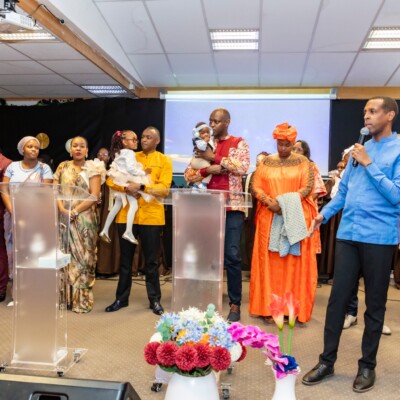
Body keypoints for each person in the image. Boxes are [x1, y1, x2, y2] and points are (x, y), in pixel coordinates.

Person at [302, 96, 400, 393]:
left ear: (390, 115)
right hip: (348, 235)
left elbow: (396, 196)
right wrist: (323, 215)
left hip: (379, 238)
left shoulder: (396, 149)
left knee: (375, 305)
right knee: (336, 302)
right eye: (365, 112)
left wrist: (370, 164)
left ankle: (367, 366)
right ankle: (326, 361)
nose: (366, 116)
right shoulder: (359, 149)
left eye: (373, 111)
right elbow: (344, 192)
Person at [184, 108, 250, 322]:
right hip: (206, 208)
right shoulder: (203, 144)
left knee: (232, 255)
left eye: (217, 121)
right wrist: (207, 170)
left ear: (227, 122)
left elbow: (242, 167)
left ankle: (234, 303)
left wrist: (214, 158)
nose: (212, 125)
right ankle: (206, 299)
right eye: (211, 121)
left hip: (232, 207)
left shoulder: (239, 143)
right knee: (206, 256)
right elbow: (188, 175)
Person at [249, 123, 317, 323]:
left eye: (287, 145)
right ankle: (268, 309)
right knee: (268, 264)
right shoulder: (266, 162)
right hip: (268, 217)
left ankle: (291, 310)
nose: (283, 148)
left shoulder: (303, 162)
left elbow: (308, 187)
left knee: (292, 264)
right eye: (280, 144)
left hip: (294, 216)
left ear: (293, 143)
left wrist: (284, 204)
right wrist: (269, 202)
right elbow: (255, 186)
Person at [105, 127, 172, 315]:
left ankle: (154, 300)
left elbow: (164, 189)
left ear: (157, 141)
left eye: (148, 137)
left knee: (152, 261)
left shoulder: (164, 160)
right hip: (127, 216)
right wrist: (126, 188)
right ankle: (121, 298)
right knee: (125, 260)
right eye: (142, 137)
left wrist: (142, 187)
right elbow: (110, 180)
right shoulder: (129, 156)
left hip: (152, 216)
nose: (143, 140)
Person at [54, 136, 105, 313]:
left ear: (87, 150)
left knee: (84, 258)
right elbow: (55, 190)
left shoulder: (93, 168)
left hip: (85, 219)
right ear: (70, 150)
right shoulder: (62, 166)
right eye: (75, 146)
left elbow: (94, 195)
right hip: (64, 218)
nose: (78, 148)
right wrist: (62, 209)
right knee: (64, 256)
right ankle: (65, 299)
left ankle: (81, 301)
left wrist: (75, 211)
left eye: (82, 146)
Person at [2, 137, 53, 306]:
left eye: (36, 147)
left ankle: (34, 294)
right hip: (13, 216)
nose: (34, 149)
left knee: (33, 254)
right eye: (30, 146)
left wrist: (30, 212)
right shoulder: (12, 167)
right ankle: (17, 295)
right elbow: (4, 189)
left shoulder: (44, 169)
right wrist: (12, 209)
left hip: (35, 217)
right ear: (22, 149)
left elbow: (45, 193)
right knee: (14, 254)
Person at [99, 130, 151, 245]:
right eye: (133, 140)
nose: (136, 142)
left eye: (136, 139)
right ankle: (128, 231)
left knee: (116, 206)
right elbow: (131, 169)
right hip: (127, 181)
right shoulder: (130, 153)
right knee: (134, 205)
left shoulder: (119, 152)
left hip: (120, 180)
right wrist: (143, 173)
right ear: (124, 142)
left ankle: (105, 230)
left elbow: (116, 166)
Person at [185, 122, 214, 190]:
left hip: (200, 161)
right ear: (197, 134)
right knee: (210, 169)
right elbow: (202, 147)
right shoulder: (198, 141)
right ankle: (204, 184)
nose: (206, 134)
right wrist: (205, 141)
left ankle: (196, 186)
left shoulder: (210, 140)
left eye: (207, 132)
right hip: (197, 160)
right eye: (203, 133)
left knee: (202, 173)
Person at [0, 148, 12, 302]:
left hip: (0, 212)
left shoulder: (6, 163)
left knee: (0, 250)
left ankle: (1, 287)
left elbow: (6, 190)